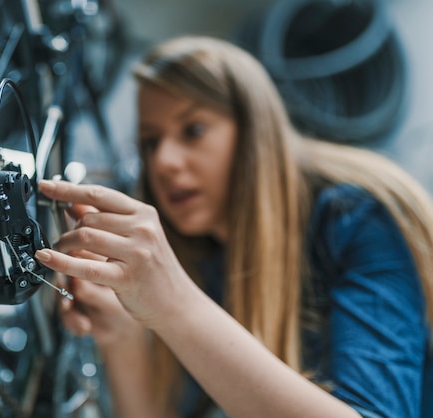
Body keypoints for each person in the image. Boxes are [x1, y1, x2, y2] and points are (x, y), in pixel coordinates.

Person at [34, 36, 433, 418]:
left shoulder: (358, 220)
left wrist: (171, 301)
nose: (164, 163)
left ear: (255, 131)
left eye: (193, 130)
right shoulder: (206, 256)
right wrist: (123, 338)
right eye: (151, 142)